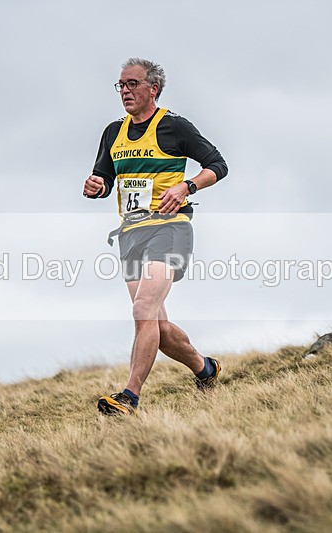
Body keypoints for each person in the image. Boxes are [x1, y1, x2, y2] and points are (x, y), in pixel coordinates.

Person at [83, 58, 228, 416]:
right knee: (157, 326)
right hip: (130, 234)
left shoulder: (174, 127)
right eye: (121, 85)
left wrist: (187, 185)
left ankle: (128, 397)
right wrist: (96, 187)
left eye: (132, 84)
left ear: (153, 89)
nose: (125, 91)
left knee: (142, 309)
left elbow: (218, 165)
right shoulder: (112, 132)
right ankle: (205, 369)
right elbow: (104, 178)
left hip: (170, 228)